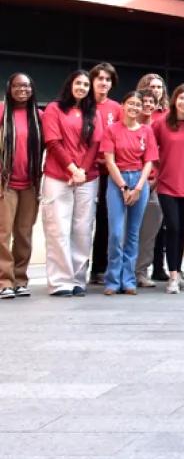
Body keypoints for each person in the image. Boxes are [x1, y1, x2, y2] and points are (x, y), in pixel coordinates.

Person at [42, 71, 102, 297]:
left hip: (86, 179)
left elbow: (95, 145)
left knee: (82, 229)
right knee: (58, 227)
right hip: (58, 176)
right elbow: (53, 142)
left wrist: (82, 171)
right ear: (70, 85)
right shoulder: (54, 109)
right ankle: (60, 282)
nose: (82, 87)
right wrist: (72, 169)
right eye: (78, 83)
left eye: (86, 84)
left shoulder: (91, 112)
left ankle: (77, 279)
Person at [99, 91, 156, 296]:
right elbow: (109, 160)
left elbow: (149, 161)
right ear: (122, 105)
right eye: (130, 103)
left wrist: (139, 188)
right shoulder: (112, 129)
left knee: (133, 234)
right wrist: (124, 187)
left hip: (139, 180)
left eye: (138, 104)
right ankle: (112, 279)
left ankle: (128, 279)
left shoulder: (147, 131)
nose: (134, 108)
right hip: (117, 181)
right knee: (115, 233)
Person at [152, 84, 184, 295]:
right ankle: (172, 276)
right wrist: (158, 170)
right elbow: (150, 148)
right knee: (172, 227)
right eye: (182, 98)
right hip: (167, 184)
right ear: (174, 100)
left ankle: (177, 272)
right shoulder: (162, 123)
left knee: (182, 230)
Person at [0, 73, 42, 299]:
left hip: (30, 183)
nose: (22, 89)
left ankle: (20, 278)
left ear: (32, 89)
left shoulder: (39, 116)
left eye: (26, 85)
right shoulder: (1, 112)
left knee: (24, 233)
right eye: (17, 85)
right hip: (5, 183)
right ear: (9, 88)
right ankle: (4, 280)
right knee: (3, 233)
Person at [88, 63, 121, 286]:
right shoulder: (84, 105)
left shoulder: (116, 108)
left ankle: (100, 268)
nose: (103, 83)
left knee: (105, 221)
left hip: (109, 173)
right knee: (81, 222)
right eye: (99, 78)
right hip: (86, 172)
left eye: (108, 79)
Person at [133, 88, 164, 289]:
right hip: (131, 185)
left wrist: (157, 179)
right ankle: (123, 271)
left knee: (148, 233)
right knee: (127, 231)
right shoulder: (125, 126)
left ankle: (141, 272)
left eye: (151, 102)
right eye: (143, 101)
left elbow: (168, 157)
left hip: (155, 185)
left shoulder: (161, 127)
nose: (147, 105)